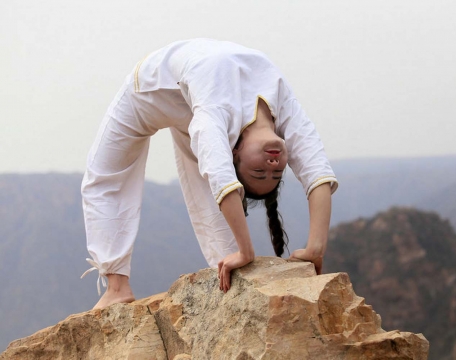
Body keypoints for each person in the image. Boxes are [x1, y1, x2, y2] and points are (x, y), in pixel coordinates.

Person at [80, 39, 338, 309]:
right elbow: (317, 168)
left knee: (207, 180)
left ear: (234, 151)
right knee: (105, 177)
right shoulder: (274, 103)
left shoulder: (214, 121)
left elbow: (224, 178)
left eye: (259, 172)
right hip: (149, 91)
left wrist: (314, 247)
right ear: (234, 153)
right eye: (272, 174)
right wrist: (255, 249)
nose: (272, 166)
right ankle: (117, 287)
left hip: (197, 97)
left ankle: (231, 272)